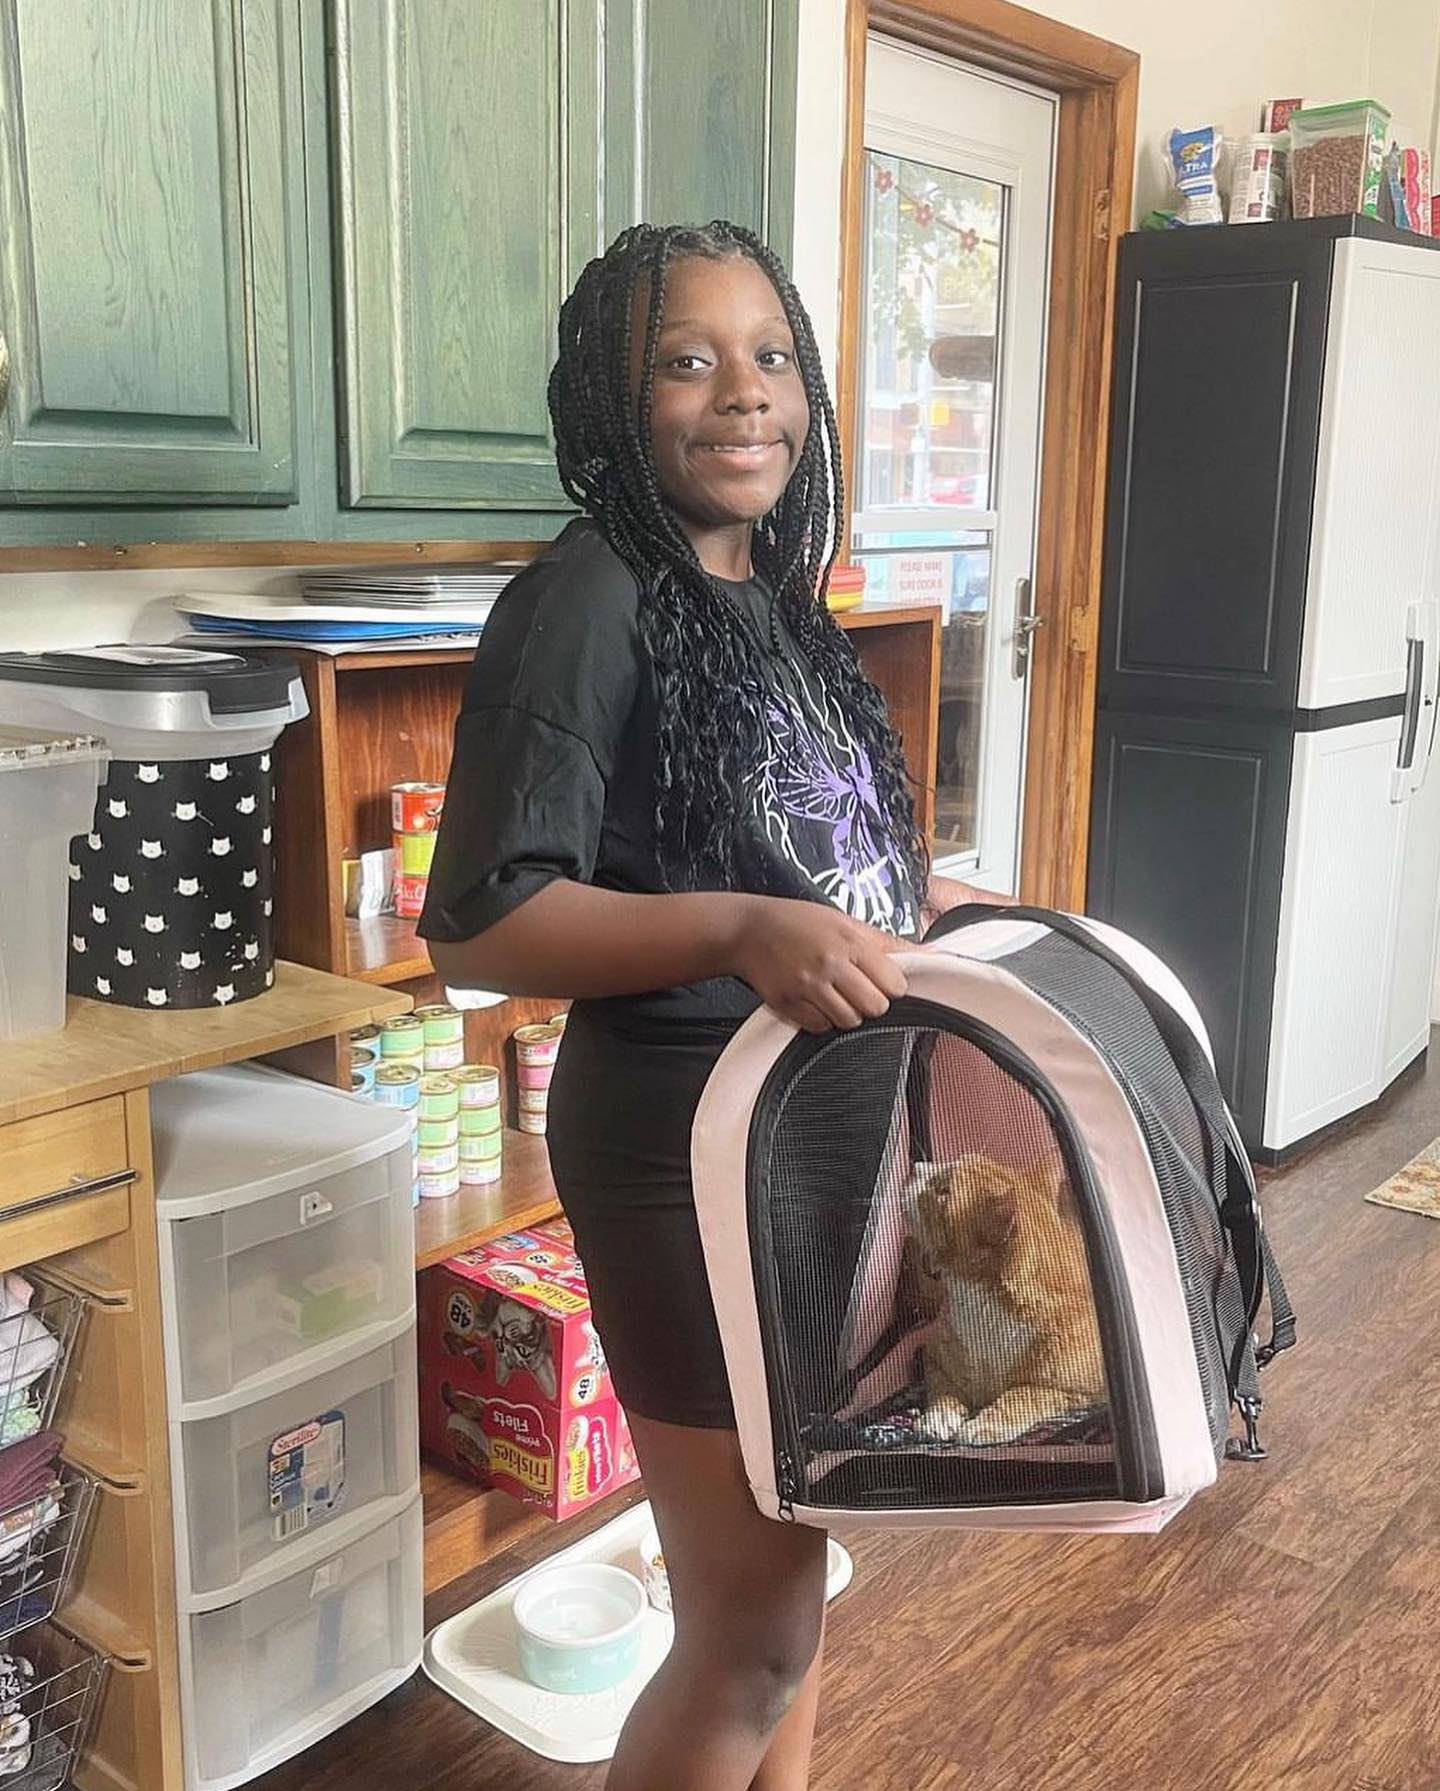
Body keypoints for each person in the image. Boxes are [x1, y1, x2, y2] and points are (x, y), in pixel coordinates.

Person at [420, 219, 1008, 1791]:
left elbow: (808, 847)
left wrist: (927, 914)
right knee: (746, 1631)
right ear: (615, 399)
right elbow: (482, 922)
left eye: (772, 356)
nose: (742, 394)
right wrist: (750, 928)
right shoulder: (591, 594)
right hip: (687, 1160)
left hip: (818, 1151)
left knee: (799, 1585)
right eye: (687, 359)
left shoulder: (780, 599)